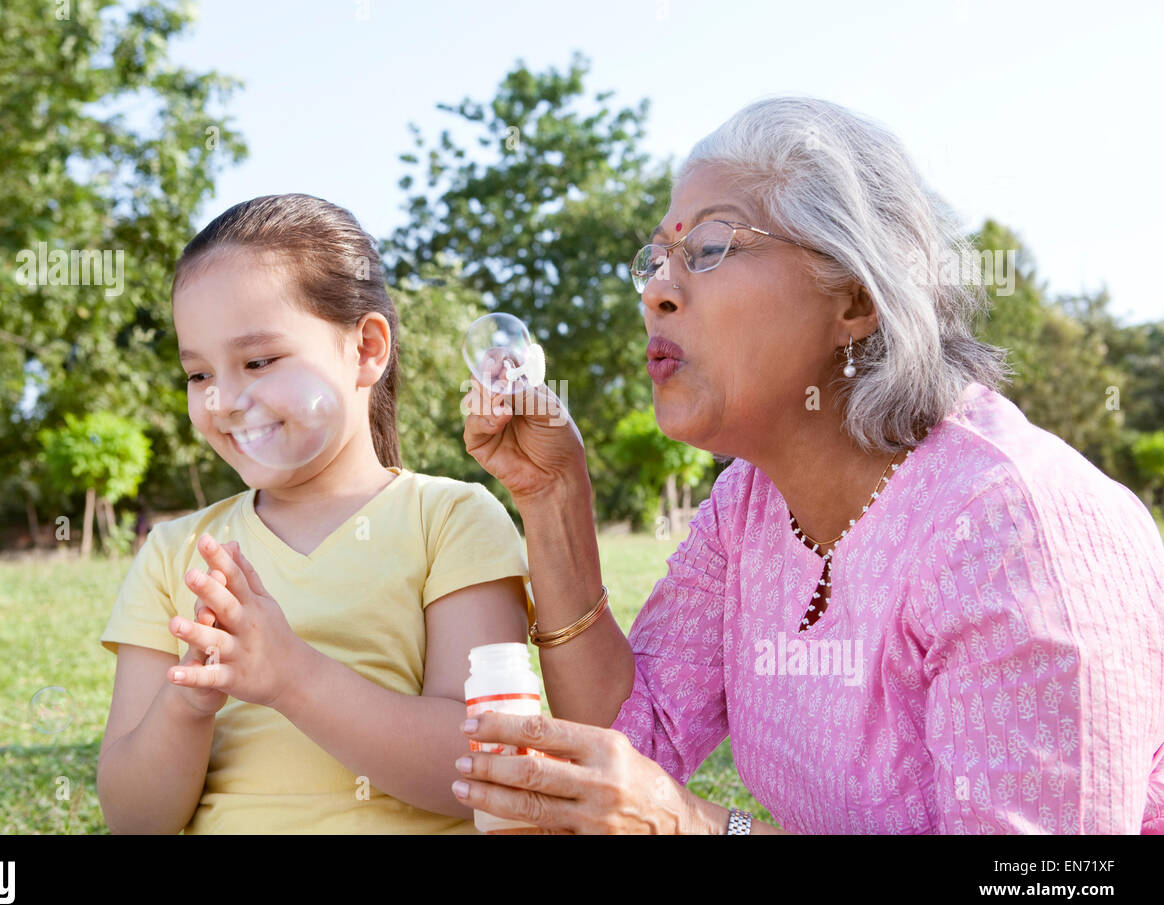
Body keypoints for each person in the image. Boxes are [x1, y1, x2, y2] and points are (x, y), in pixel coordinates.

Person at [451, 96, 1164, 834]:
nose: (657, 291)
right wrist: (553, 495)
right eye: (657, 258)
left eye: (709, 248)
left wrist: (697, 828)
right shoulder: (748, 510)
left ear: (854, 297)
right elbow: (632, 742)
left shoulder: (1012, 530)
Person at [96, 194, 532, 833]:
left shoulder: (450, 521)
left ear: (367, 349)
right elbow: (135, 819)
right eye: (197, 374)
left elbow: (483, 770)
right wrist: (184, 707)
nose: (224, 399)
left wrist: (290, 676)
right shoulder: (174, 554)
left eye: (259, 361)